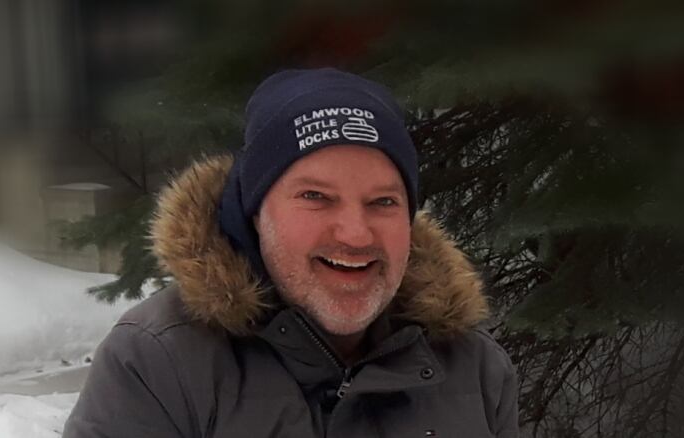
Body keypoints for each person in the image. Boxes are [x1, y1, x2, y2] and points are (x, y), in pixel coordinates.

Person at [63, 68, 519, 437]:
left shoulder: (476, 370)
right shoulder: (159, 363)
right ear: (257, 213)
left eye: (383, 202)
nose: (357, 235)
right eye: (316, 197)